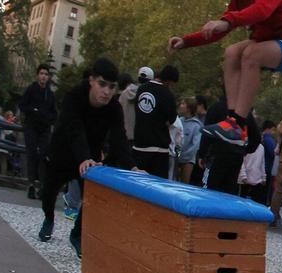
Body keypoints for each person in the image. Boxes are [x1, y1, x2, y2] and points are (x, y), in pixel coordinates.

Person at [38, 58, 139, 258]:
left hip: (89, 158)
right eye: (102, 84)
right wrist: (83, 156)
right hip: (62, 153)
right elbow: (74, 129)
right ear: (92, 80)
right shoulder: (74, 97)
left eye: (112, 87)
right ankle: (49, 218)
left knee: (94, 199)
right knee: (48, 194)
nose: (107, 92)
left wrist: (133, 167)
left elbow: (120, 138)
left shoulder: (114, 107)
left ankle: (77, 235)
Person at [201, 97, 261, 195]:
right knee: (230, 189)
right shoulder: (244, 112)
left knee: (211, 189)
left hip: (217, 154)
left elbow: (206, 133)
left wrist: (202, 153)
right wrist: (245, 150)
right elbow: (256, 137)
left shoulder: (216, 108)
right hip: (236, 156)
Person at [132, 65, 180, 178]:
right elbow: (172, 120)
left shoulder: (141, 89)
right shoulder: (168, 95)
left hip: (139, 144)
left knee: (136, 184)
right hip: (159, 149)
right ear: (169, 81)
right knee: (156, 186)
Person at [18, 64, 56, 199]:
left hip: (44, 129)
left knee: (43, 157)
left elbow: (54, 113)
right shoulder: (31, 89)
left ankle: (41, 185)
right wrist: (32, 111)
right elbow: (22, 105)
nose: (43, 77)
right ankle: (31, 184)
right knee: (32, 154)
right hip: (31, 127)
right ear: (37, 75)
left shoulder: (50, 94)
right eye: (41, 74)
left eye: (46, 74)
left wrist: (48, 118)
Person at [177, 98, 204, 185]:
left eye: (183, 104)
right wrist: (177, 154)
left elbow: (195, 145)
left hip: (188, 160)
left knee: (184, 183)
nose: (180, 106)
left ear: (189, 108)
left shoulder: (197, 125)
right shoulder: (179, 121)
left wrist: (184, 156)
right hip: (176, 157)